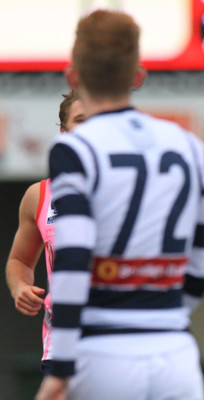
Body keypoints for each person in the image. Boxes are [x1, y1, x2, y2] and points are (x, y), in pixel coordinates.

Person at [35, 10, 204, 400]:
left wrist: (61, 369)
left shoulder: (75, 147)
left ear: (74, 77)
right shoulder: (188, 145)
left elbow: (72, 261)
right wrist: (159, 316)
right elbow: (203, 268)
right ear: (138, 76)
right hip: (176, 355)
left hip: (102, 354)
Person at [5, 90, 85, 376]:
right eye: (81, 120)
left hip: (122, 345)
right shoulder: (39, 195)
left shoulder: (134, 189)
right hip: (62, 348)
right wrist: (20, 288)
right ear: (64, 133)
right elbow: (20, 261)